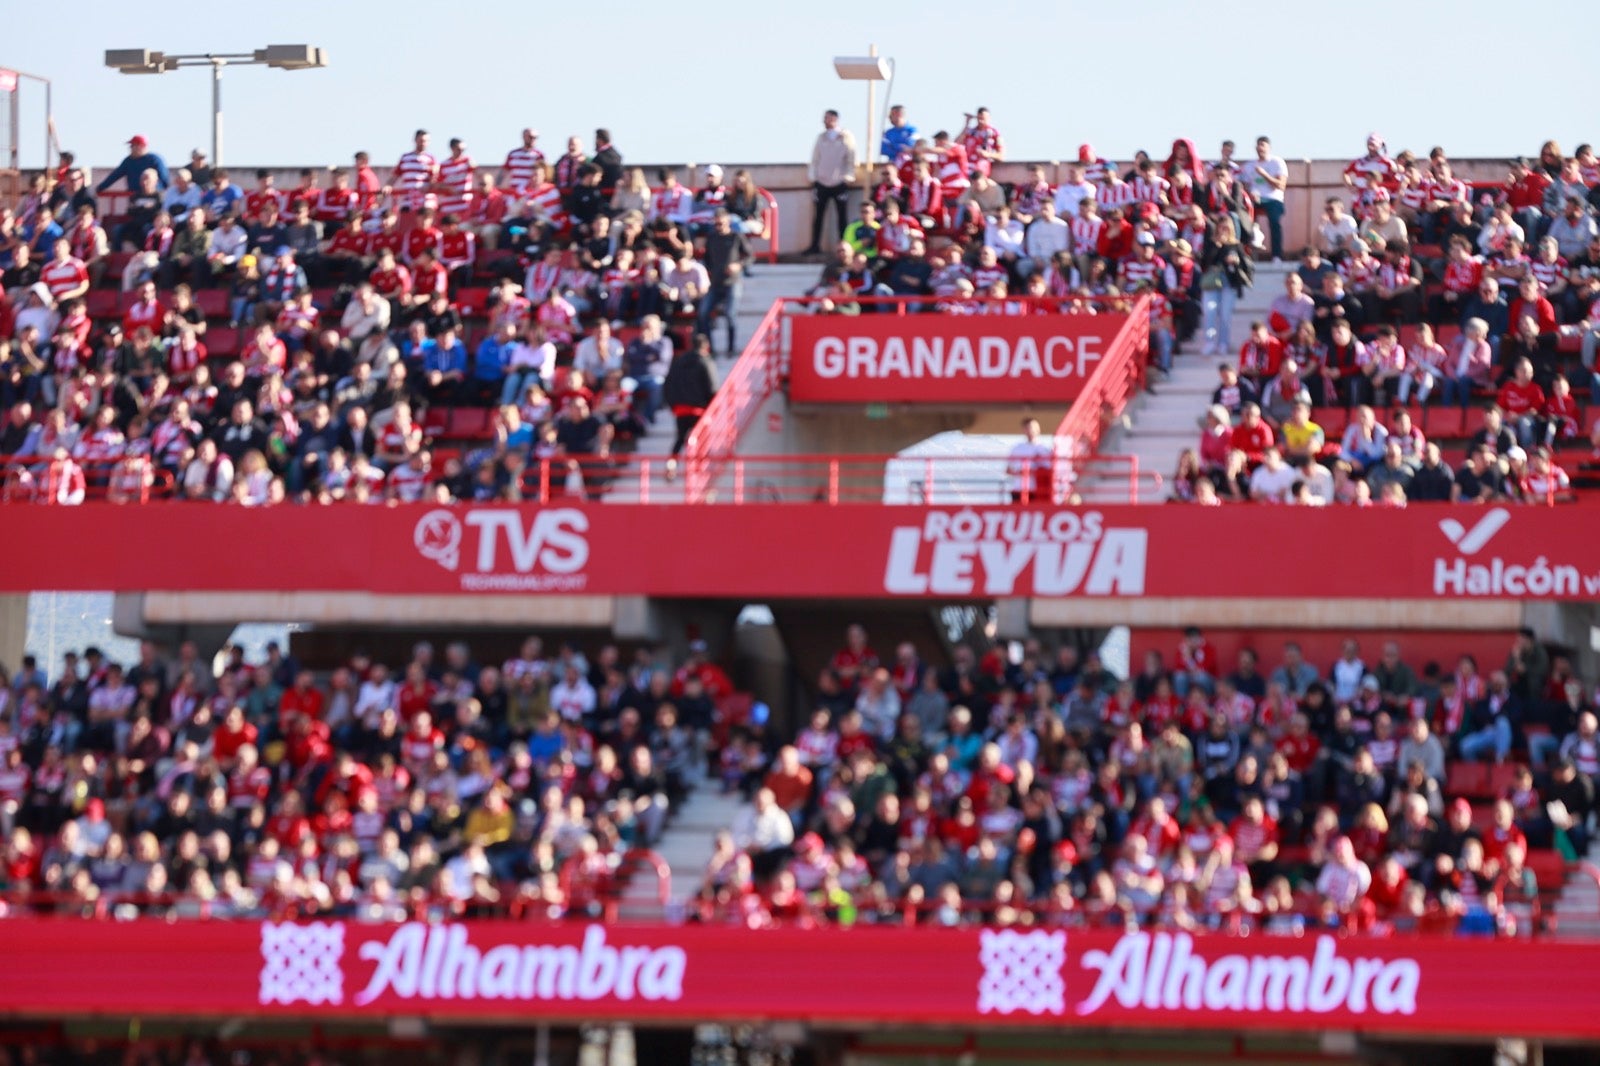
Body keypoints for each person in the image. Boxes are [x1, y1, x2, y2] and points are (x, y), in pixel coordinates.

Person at [663, 333, 719, 479]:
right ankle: (698, 469)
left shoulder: (678, 362)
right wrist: (712, 406)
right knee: (701, 439)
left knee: (680, 439)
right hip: (699, 410)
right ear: (706, 346)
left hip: (680, 409)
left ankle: (671, 466)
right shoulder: (706, 361)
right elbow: (712, 386)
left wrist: (673, 405)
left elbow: (668, 384)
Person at [805, 110, 858, 255]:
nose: (826, 121)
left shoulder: (845, 138)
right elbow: (815, 158)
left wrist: (848, 176)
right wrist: (813, 177)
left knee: (842, 217)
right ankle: (815, 246)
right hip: (822, 182)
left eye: (829, 118)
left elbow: (851, 158)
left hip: (839, 182)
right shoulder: (821, 138)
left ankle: (844, 246)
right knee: (818, 217)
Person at [1200, 215, 1251, 355]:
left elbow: (1245, 266)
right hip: (1212, 281)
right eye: (1221, 228)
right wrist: (1217, 246)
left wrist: (1235, 262)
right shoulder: (1211, 242)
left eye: (1226, 228)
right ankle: (1209, 342)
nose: (1223, 231)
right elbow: (1206, 261)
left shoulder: (1236, 245)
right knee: (1209, 311)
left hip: (1229, 282)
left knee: (1225, 314)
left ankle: (1223, 343)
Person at [1240, 136, 1288, 261]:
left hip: (1273, 199)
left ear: (1269, 147)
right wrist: (1250, 194)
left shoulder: (1277, 162)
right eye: (1258, 145)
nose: (1260, 148)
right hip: (1254, 199)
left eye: (1263, 145)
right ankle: (1246, 254)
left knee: (1274, 222)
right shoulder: (1249, 165)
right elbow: (1244, 186)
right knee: (1242, 218)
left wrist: (1264, 174)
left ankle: (1277, 255)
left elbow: (1281, 185)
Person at [97, 134, 170, 194]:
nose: (130, 148)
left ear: (141, 146)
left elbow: (164, 179)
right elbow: (115, 175)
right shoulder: (128, 161)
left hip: (152, 196)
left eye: (132, 146)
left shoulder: (154, 159)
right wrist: (100, 188)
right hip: (134, 196)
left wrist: (161, 193)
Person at [1007, 418, 1054, 504]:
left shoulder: (1045, 450)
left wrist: (1034, 472)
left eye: (1032, 427)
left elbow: (1050, 471)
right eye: (1027, 428)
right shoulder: (1016, 448)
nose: (1030, 430)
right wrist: (1020, 473)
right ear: (1023, 430)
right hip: (1018, 490)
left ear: (1038, 429)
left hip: (1037, 491)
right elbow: (1008, 470)